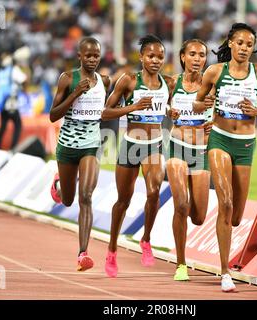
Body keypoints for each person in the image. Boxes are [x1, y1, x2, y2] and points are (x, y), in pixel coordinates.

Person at [194, 23, 257, 292]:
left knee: (236, 216)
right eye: (240, 43)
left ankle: (226, 243)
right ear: (230, 43)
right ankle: (225, 272)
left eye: (249, 44)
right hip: (219, 139)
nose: (244, 48)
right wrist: (204, 103)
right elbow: (197, 102)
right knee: (226, 202)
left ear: (253, 48)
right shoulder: (214, 71)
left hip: (245, 144)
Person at [101, 34, 174, 277]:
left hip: (154, 145)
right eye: (151, 56)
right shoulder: (129, 81)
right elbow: (105, 112)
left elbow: (170, 108)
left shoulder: (169, 83)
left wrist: (171, 112)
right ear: (141, 57)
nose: (156, 60)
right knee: (124, 200)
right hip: (131, 144)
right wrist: (133, 107)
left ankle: (146, 240)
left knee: (154, 192)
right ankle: (112, 250)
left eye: (160, 56)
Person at [49, 37, 110, 271]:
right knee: (68, 200)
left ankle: (83, 253)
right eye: (88, 55)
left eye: (96, 55)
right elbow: (53, 115)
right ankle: (59, 185)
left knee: (86, 196)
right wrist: (74, 94)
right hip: (67, 145)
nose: (93, 59)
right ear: (79, 57)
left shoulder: (105, 80)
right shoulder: (68, 78)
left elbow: (109, 108)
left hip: (91, 145)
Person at [167, 39, 215, 281]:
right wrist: (169, 112)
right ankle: (181, 264)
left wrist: (214, 123)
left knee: (198, 217)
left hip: (202, 152)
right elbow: (160, 107)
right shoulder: (172, 82)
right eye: (193, 54)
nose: (198, 59)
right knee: (181, 205)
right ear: (183, 57)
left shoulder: (213, 84)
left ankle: (183, 228)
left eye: (202, 55)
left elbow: (224, 114)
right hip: (177, 147)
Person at [0, 54, 27, 150]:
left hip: (1, 102)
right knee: (18, 125)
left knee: (3, 126)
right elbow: (24, 80)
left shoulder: (0, 72)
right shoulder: (13, 70)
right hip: (11, 101)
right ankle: (13, 148)